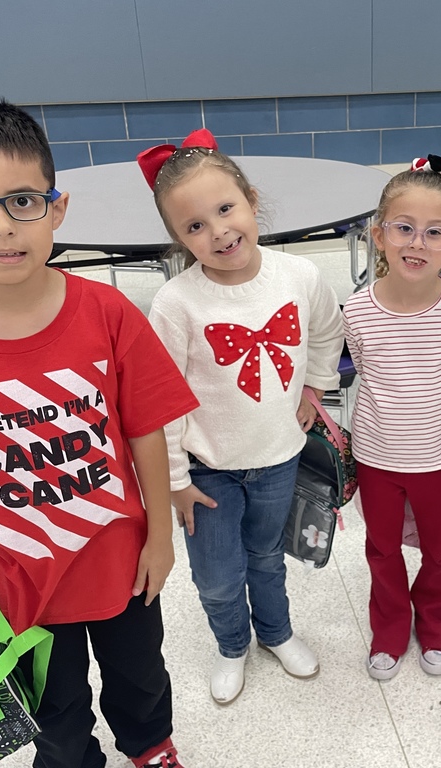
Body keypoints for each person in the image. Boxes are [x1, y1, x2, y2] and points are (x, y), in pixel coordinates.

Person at [0, 97, 198, 768]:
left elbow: (144, 432)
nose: (1, 227)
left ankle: (149, 745)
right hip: (20, 580)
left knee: (140, 679)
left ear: (57, 207)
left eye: (22, 200)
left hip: (120, 561)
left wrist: (161, 539)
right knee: (53, 706)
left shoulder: (106, 313)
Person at [142, 129, 343, 706]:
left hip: (279, 457)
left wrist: (316, 390)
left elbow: (329, 332)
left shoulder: (299, 277)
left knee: (267, 558)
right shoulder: (176, 303)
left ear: (252, 201)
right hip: (207, 471)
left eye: (226, 209)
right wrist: (175, 482)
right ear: (177, 238)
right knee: (217, 576)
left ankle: (276, 633)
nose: (218, 232)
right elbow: (161, 400)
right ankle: (232, 644)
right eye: (194, 226)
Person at [343, 155, 441, 681]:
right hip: (377, 458)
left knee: (439, 549)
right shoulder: (357, 310)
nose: (416, 243)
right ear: (379, 236)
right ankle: (389, 626)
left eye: (434, 232)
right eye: (403, 229)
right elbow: (362, 366)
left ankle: (437, 623)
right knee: (381, 548)